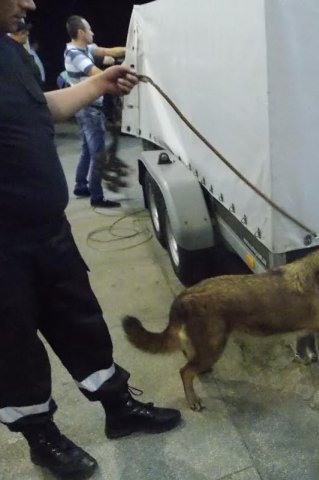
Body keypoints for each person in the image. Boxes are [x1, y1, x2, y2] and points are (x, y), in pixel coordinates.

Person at [0, 1, 182, 479]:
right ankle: (42, 440)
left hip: (48, 230)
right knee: (13, 347)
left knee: (81, 321)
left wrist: (98, 84)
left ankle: (117, 409)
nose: (29, 4)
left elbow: (42, 108)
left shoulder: (10, 53)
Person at [64, 14, 126, 208]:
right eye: (89, 29)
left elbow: (109, 50)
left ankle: (81, 185)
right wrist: (118, 71)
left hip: (84, 109)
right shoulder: (75, 54)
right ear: (81, 33)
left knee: (86, 149)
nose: (93, 32)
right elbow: (96, 75)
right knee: (99, 153)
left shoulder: (85, 48)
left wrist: (129, 48)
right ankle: (97, 197)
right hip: (89, 110)